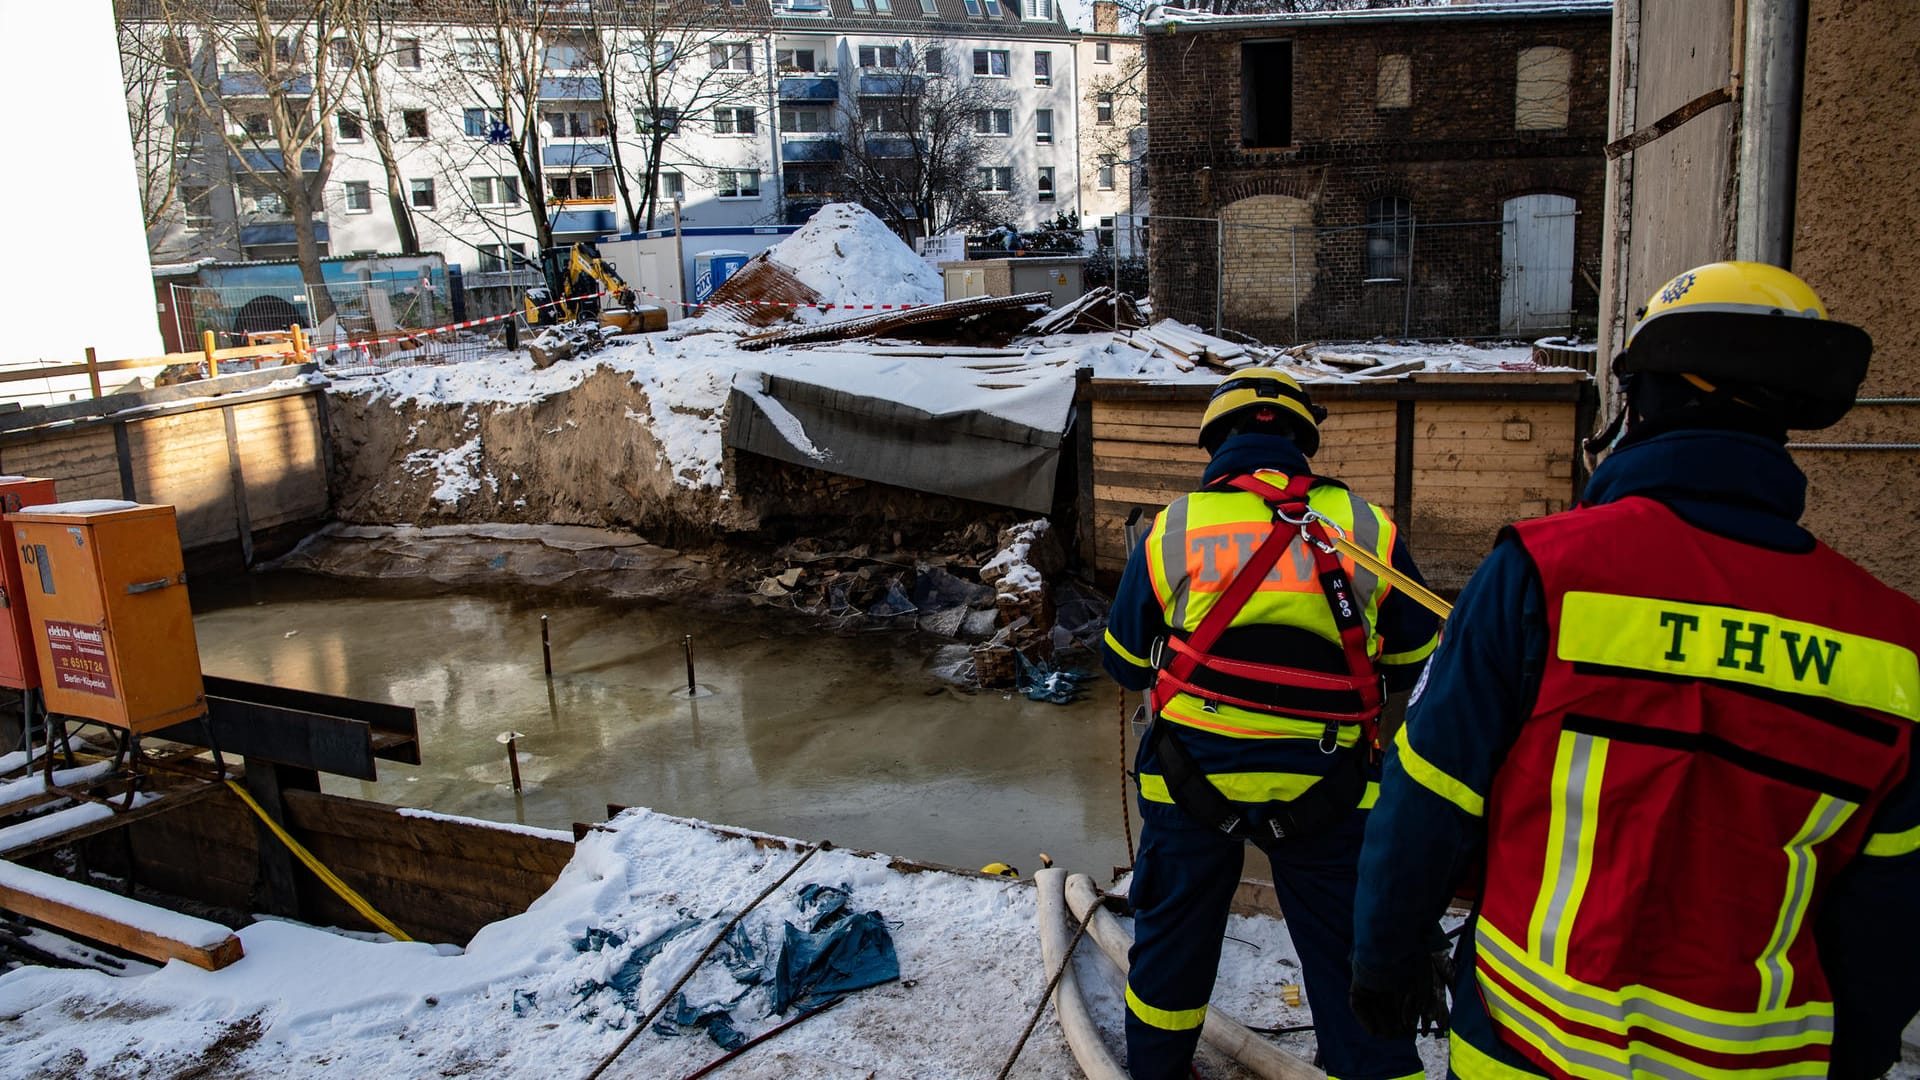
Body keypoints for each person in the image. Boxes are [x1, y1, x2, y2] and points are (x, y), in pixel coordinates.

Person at [1351, 261, 1920, 1080]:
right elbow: (1890, 913)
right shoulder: (1893, 644)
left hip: (1525, 1046)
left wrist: (1384, 959)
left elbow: (1429, 795)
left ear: (1646, 399)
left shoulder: (1542, 574)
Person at [1102, 368, 1442, 1080]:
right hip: (1330, 787)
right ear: (1302, 441)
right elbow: (1412, 658)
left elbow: (1126, 664)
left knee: (1171, 944)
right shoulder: (1366, 527)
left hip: (1188, 784)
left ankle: (1159, 1070)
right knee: (1353, 951)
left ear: (1215, 443)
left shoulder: (1177, 527)